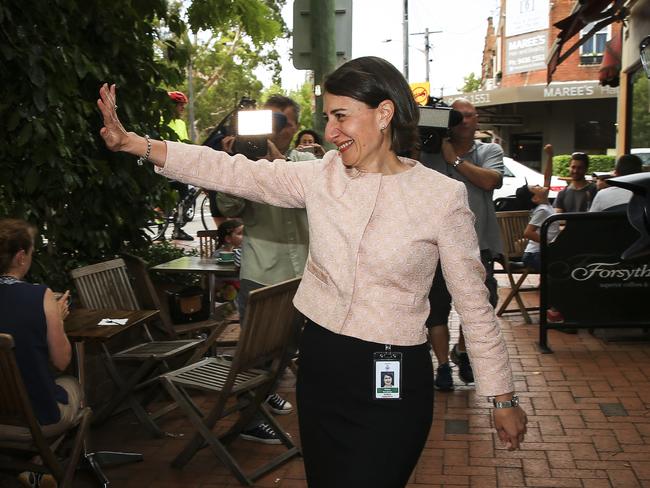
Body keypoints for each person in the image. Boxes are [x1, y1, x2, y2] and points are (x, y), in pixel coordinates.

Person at [97, 56, 527, 487]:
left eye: (341, 116)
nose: (331, 131)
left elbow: (474, 303)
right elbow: (232, 171)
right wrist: (135, 143)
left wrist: (502, 397)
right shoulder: (323, 176)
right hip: (323, 362)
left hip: (392, 372)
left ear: (384, 113)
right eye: (327, 117)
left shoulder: (442, 196)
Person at [215, 95, 311, 443]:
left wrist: (278, 163)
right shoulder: (247, 166)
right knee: (256, 352)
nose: (273, 130)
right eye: (267, 123)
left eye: (280, 123)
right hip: (262, 274)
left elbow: (306, 194)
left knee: (287, 350)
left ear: (293, 127)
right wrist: (232, 165)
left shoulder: (305, 160)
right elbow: (228, 206)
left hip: (303, 274)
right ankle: (250, 416)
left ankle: (262, 391)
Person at [419, 98, 504, 391]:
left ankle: (463, 351)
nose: (466, 121)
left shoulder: (489, 151)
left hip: (477, 246)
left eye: (471, 116)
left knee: (482, 304)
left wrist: (452, 158)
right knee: (437, 309)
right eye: (459, 117)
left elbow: (490, 181)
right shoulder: (428, 155)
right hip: (437, 248)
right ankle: (443, 366)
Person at [0, 218, 82, 488]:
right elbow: (61, 361)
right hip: (34, 417)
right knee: (73, 384)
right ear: (21, 257)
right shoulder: (39, 296)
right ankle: (41, 465)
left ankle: (33, 468)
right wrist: (55, 319)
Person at [167, 91, 194, 241]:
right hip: (166, 165)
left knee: (186, 194)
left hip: (177, 166)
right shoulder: (162, 121)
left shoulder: (181, 123)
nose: (182, 109)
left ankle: (177, 228)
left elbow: (184, 144)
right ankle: (175, 227)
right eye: (180, 106)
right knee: (185, 194)